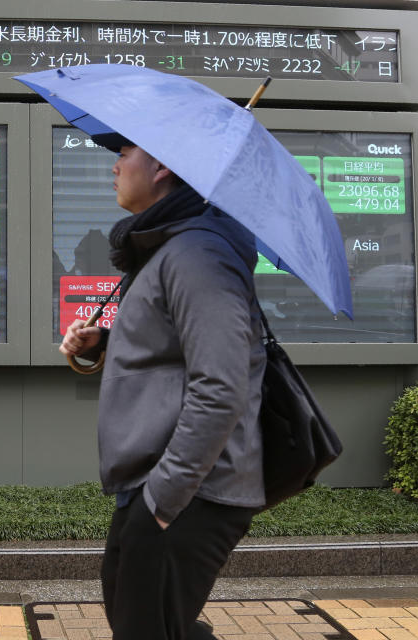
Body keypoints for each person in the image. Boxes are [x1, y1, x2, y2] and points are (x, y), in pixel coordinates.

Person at [60, 133, 266, 640]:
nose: (115, 166)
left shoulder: (198, 254)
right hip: (161, 484)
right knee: (145, 621)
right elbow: (170, 350)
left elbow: (219, 385)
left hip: (189, 489)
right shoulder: (167, 247)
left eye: (124, 153)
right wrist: (101, 342)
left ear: (162, 168)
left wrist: (163, 501)